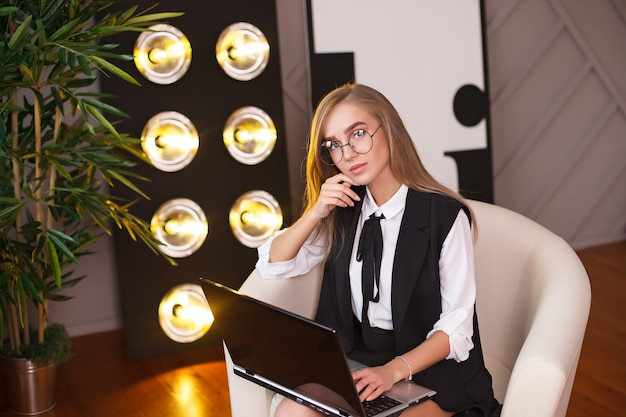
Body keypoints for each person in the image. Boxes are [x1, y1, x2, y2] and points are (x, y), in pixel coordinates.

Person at [255, 83, 501, 417]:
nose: (348, 154)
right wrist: (316, 211)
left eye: (358, 134)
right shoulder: (342, 209)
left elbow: (457, 329)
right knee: (291, 413)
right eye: (334, 145)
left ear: (389, 129)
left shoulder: (443, 216)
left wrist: (394, 370)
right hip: (360, 363)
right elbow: (273, 264)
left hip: (429, 367)